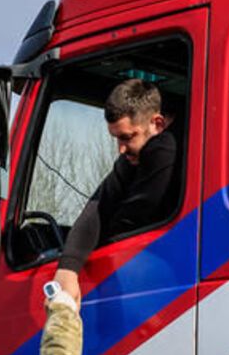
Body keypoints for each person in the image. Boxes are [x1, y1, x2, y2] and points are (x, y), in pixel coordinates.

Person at [55, 78, 177, 299]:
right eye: (115, 138)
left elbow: (128, 223)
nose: (120, 149)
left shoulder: (164, 147)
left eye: (127, 137)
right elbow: (96, 210)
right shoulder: (131, 159)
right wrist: (68, 269)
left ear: (157, 124)